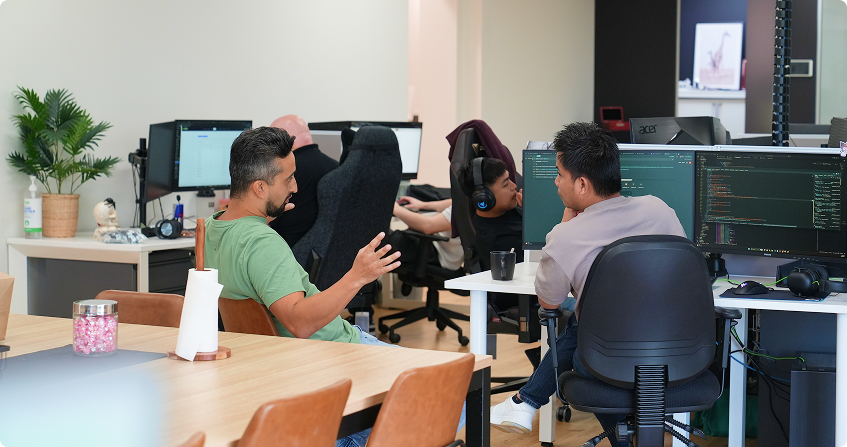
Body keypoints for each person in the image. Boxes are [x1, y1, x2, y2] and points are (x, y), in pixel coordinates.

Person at [488, 122, 686, 446]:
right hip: (676, 352)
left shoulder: (567, 237)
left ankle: (528, 404)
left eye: (559, 174)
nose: (555, 181)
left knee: (580, 322)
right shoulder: (659, 209)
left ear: (581, 184)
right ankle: (526, 404)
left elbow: (549, 304)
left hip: (605, 360)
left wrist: (564, 227)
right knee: (591, 318)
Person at [204, 126, 402, 447]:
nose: (295, 187)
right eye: (287, 180)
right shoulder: (263, 243)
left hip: (277, 365)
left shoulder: (213, 228)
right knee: (456, 389)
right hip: (332, 352)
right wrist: (358, 275)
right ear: (259, 187)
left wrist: (265, 219)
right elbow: (301, 323)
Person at [267, 115, 338, 247]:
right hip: (321, 257)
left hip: (284, 254)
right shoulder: (336, 167)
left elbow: (262, 220)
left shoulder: (284, 172)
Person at [456, 157, 525, 264]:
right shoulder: (498, 243)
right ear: (485, 198)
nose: (514, 186)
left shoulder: (507, 209)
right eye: (506, 184)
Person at [389, 197, 463, 270]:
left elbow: (428, 226)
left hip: (440, 253)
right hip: (436, 242)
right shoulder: (467, 199)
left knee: (385, 240)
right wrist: (422, 205)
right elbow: (455, 202)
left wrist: (394, 207)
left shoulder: (467, 208)